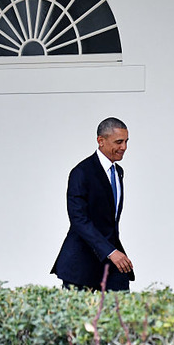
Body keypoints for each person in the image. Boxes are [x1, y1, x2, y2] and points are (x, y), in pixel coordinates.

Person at [51, 117, 136, 292]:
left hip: (111, 265)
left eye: (126, 141)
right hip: (81, 266)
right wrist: (111, 252)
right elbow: (79, 220)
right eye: (119, 142)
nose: (124, 147)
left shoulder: (118, 172)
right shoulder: (81, 173)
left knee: (121, 315)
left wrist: (112, 253)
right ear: (101, 141)